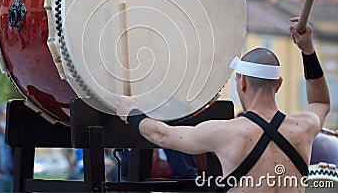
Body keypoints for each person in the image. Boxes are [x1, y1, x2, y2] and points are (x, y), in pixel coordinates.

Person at [117, 18, 330, 192]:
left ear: (242, 81)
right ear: (279, 84)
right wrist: (308, 50)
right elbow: (320, 101)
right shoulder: (304, 128)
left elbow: (162, 135)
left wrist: (131, 113)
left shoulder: (224, 131)